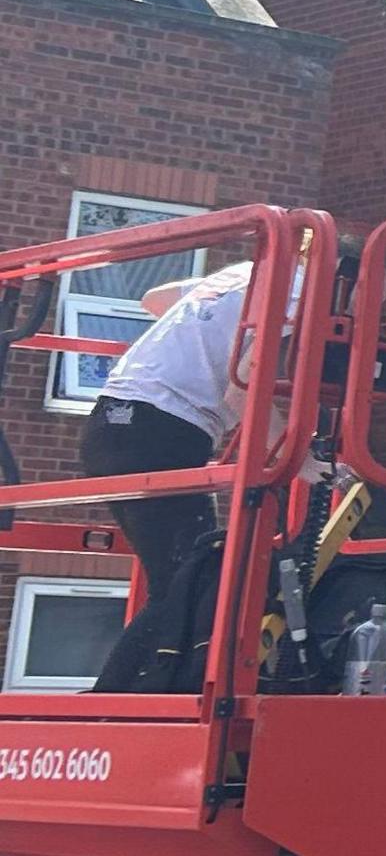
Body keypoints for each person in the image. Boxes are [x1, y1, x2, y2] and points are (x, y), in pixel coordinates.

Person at [80, 260, 264, 694]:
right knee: (189, 579)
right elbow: (243, 391)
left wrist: (200, 342)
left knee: (182, 574)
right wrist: (305, 456)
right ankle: (111, 701)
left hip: (113, 423)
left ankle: (128, 695)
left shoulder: (241, 275)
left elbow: (155, 299)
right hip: (161, 429)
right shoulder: (297, 295)